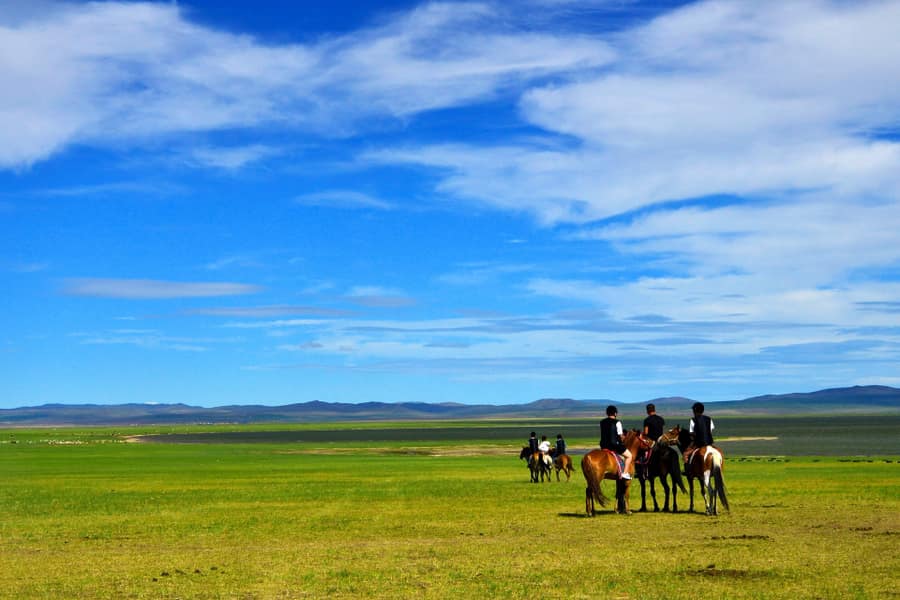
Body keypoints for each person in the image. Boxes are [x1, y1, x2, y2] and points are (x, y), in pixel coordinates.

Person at [599, 405, 632, 479]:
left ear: (607, 413)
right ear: (615, 413)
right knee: (629, 456)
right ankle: (625, 473)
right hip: (614, 446)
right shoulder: (617, 422)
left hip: (603, 445)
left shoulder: (602, 422)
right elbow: (620, 436)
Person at [683, 401, 714, 470]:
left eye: (693, 410)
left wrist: (691, 444)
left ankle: (687, 470)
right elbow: (711, 431)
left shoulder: (693, 420)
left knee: (685, 454)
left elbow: (692, 434)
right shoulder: (709, 419)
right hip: (709, 443)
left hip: (699, 444)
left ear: (695, 410)